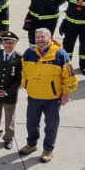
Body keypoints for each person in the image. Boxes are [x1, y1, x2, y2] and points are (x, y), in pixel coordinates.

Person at [19, 28, 78, 163]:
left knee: (51, 126)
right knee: (31, 124)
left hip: (52, 99)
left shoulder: (60, 54)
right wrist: (26, 84)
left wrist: (66, 94)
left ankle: (48, 149)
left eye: (43, 37)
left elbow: (69, 77)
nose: (40, 40)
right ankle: (31, 144)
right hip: (34, 96)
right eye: (37, 37)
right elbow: (24, 71)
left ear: (50, 37)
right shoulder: (29, 53)